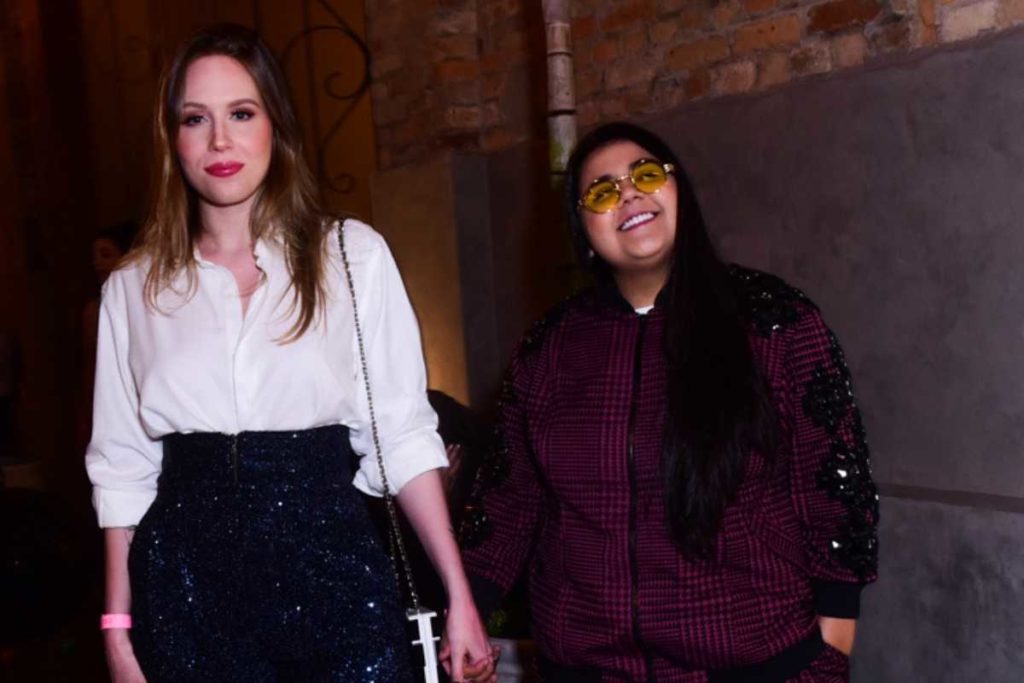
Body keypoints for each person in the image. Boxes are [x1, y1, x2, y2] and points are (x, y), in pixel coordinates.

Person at [85, 24, 494, 683]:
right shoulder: (133, 288)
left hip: (334, 574)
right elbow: (122, 469)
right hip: (188, 588)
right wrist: (116, 628)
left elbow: (402, 435)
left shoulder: (351, 256)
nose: (220, 141)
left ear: (276, 125)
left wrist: (459, 595)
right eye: (196, 118)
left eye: (242, 113)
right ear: (173, 139)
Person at [460, 122, 879, 682]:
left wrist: (833, 641)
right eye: (602, 191)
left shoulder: (774, 321)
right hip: (587, 668)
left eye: (646, 174)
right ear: (584, 232)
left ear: (678, 189)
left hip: (756, 664)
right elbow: (510, 500)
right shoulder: (550, 347)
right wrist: (469, 608)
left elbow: (833, 485)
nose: (629, 194)